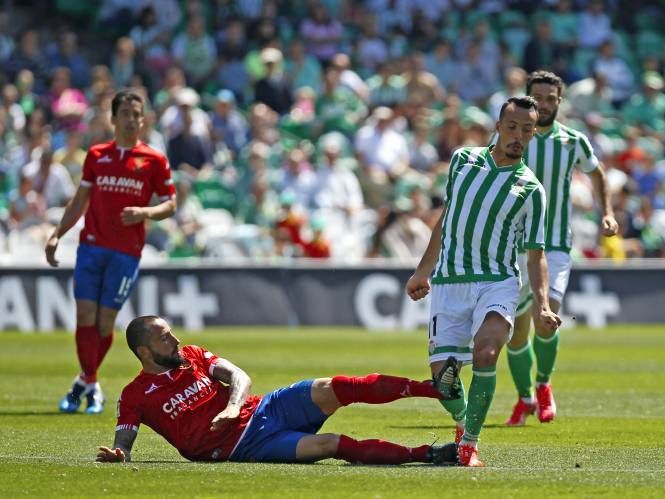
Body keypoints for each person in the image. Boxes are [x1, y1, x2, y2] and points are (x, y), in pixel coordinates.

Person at [406, 96, 561, 467]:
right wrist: (422, 270)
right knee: (443, 381)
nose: (518, 136)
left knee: (487, 351)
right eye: (512, 127)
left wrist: (541, 305)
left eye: (527, 130)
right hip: (450, 282)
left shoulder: (531, 190)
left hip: (498, 281)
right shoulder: (462, 161)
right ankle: (463, 422)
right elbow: (447, 219)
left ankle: (469, 446)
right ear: (498, 126)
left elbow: (536, 252)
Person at [96, 316, 460, 465]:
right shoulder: (134, 396)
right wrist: (119, 455)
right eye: (165, 338)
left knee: (333, 386)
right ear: (145, 352)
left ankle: (432, 389)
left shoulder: (192, 355)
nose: (176, 340)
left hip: (265, 408)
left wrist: (233, 406)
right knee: (329, 444)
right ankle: (428, 454)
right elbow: (123, 445)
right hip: (242, 446)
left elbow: (238, 376)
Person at [45, 90, 177, 414]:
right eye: (127, 113)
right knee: (84, 316)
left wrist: (145, 213)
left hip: (126, 252)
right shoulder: (97, 155)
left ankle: (83, 383)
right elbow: (79, 201)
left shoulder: (154, 160)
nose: (133, 119)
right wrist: (56, 235)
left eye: (137, 114)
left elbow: (171, 204)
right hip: (91, 246)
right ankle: (92, 383)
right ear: (114, 119)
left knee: (105, 323)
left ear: (143, 120)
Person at [504, 71, 618, 427]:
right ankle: (524, 399)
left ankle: (543, 386)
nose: (545, 104)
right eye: (538, 97)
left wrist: (608, 213)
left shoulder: (572, 141)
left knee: (548, 315)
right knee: (515, 332)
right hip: (514, 247)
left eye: (551, 98)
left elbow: (597, 174)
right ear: (528, 99)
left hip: (554, 244)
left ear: (559, 101)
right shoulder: (513, 140)